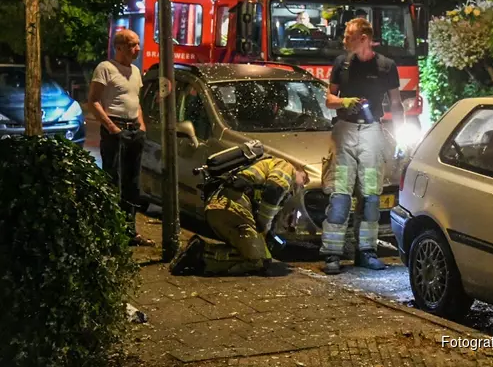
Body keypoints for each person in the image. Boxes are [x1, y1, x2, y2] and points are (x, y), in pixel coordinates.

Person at [320, 18, 403, 275]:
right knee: (341, 194)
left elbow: (396, 103)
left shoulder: (386, 66)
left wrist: (400, 136)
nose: (344, 41)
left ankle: (366, 251)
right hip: (345, 132)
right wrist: (345, 102)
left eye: (349, 36)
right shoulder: (341, 64)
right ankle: (332, 254)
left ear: (364, 38)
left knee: (370, 196)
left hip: (371, 132)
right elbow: (329, 99)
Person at [170, 156, 309, 275]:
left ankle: (201, 253)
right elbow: (274, 190)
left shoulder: (272, 174)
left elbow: (266, 204)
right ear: (299, 172)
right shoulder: (287, 167)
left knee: (253, 254)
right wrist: (264, 226)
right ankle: (202, 255)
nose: (302, 187)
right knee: (261, 260)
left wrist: (267, 234)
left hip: (222, 206)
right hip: (233, 206)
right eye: (304, 180)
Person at [88, 29, 154, 246]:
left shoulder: (135, 71)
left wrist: (141, 125)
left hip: (134, 129)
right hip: (115, 129)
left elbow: (136, 101)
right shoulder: (106, 69)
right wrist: (112, 128)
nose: (138, 48)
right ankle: (110, 231)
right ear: (119, 47)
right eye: (133, 45)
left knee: (132, 183)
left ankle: (129, 231)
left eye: (138, 44)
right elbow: (94, 101)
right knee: (112, 180)